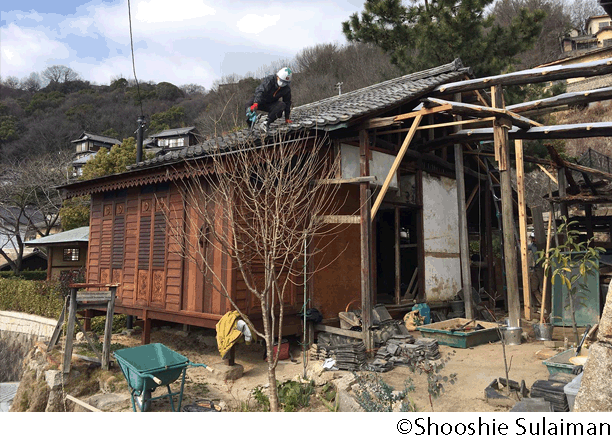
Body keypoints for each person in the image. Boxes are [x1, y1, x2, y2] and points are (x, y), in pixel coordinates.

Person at [245, 67, 293, 133]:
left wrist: (287, 118)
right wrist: (256, 103)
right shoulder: (270, 80)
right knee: (248, 104)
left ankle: (266, 122)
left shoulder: (286, 89)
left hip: (271, 104)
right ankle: (250, 121)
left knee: (282, 105)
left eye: (284, 82)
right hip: (260, 100)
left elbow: (287, 102)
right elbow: (260, 91)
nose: (282, 84)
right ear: (278, 77)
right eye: (281, 81)